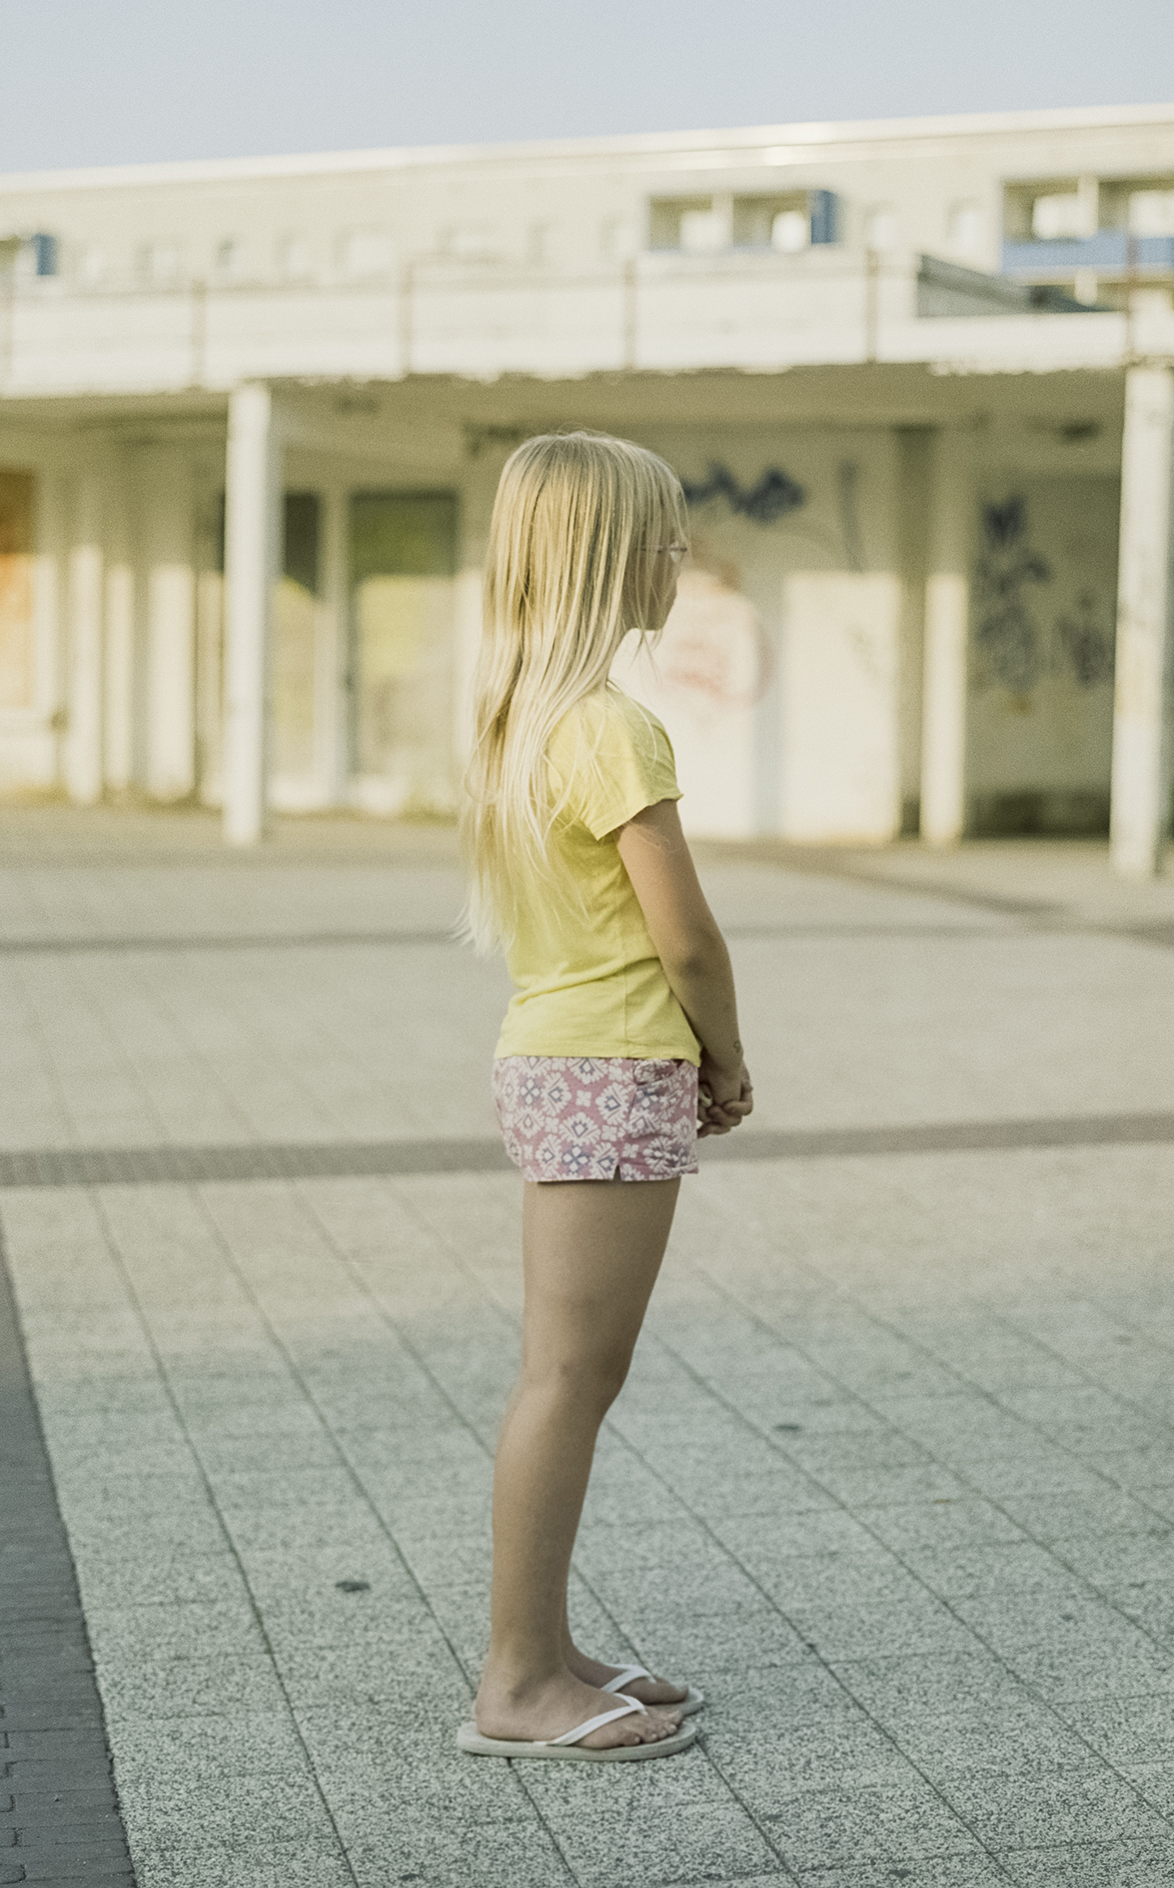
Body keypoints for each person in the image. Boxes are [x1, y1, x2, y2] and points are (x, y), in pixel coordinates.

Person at [453, 432, 754, 1764]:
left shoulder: (524, 717)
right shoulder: (615, 727)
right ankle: (518, 1684)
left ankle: (549, 1652)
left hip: (555, 1056)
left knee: (571, 1373)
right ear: (607, 558)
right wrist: (725, 1056)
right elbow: (685, 937)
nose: (679, 560)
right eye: (663, 539)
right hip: (615, 1065)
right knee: (570, 1377)